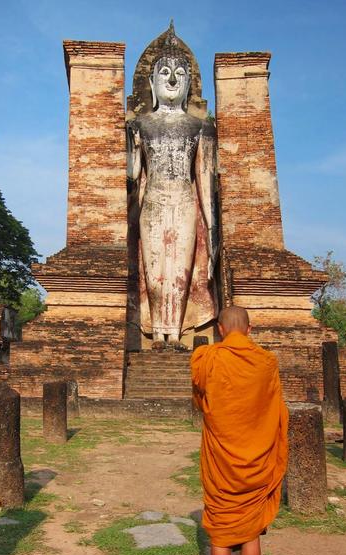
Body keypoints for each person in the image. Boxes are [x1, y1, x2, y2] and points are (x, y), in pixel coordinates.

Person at [126, 29, 217, 349]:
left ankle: (176, 334)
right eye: (164, 73)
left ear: (189, 83)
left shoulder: (200, 127)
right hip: (153, 201)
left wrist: (213, 226)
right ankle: (157, 333)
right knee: (154, 271)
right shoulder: (140, 125)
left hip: (184, 199)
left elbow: (203, 179)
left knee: (180, 269)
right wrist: (129, 145)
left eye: (180, 74)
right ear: (151, 83)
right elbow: (134, 173)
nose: (173, 80)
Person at [191, 306, 288, 555]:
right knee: (251, 534)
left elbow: (201, 399)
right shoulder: (266, 362)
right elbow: (275, 409)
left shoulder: (206, 358)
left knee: (220, 536)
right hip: (258, 459)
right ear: (249, 329)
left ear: (220, 329)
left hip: (222, 461)